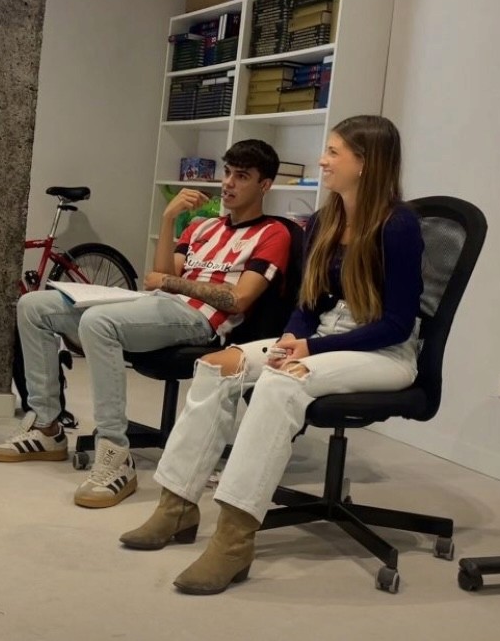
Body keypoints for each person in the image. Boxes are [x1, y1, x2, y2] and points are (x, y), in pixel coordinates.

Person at [119, 115, 424, 595]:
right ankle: (177, 506)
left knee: (283, 382)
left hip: (382, 350)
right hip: (318, 338)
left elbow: (397, 324)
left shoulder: (399, 226)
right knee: (217, 366)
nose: (322, 160)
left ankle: (234, 541)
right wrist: (290, 338)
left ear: (365, 163)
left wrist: (310, 348)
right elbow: (306, 302)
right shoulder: (326, 220)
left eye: (334, 152)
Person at [0, 140, 293, 509]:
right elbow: (160, 274)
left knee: (99, 323)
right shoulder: (201, 226)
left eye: (241, 177)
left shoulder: (274, 233)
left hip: (201, 320)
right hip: (158, 307)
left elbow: (239, 299)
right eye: (227, 173)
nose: (228, 183)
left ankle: (115, 455)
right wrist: (168, 220)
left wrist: (169, 283)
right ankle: (47, 427)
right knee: (33, 305)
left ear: (265, 185)